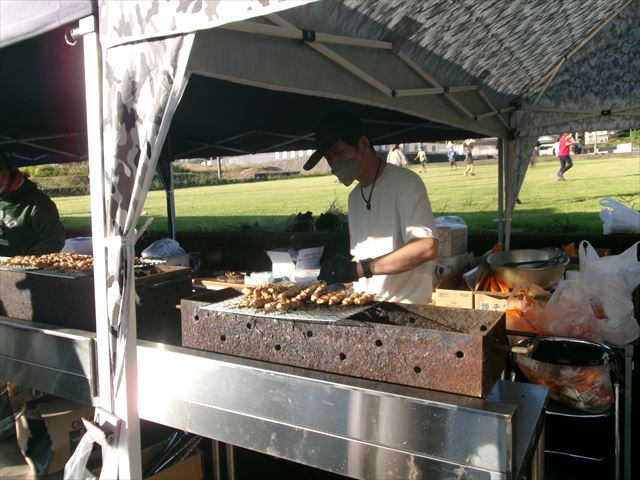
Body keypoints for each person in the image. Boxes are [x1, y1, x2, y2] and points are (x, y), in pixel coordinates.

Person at [302, 111, 438, 304]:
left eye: (339, 153)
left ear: (363, 144)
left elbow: (426, 247)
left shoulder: (405, 183)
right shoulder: (354, 197)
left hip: (405, 306)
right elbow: (362, 256)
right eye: (328, 157)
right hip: (364, 303)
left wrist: (360, 269)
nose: (334, 163)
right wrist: (341, 275)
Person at [0, 155, 65, 256]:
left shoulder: (38, 203)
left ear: (5, 174)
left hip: (23, 264)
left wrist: (20, 259)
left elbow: (53, 241)